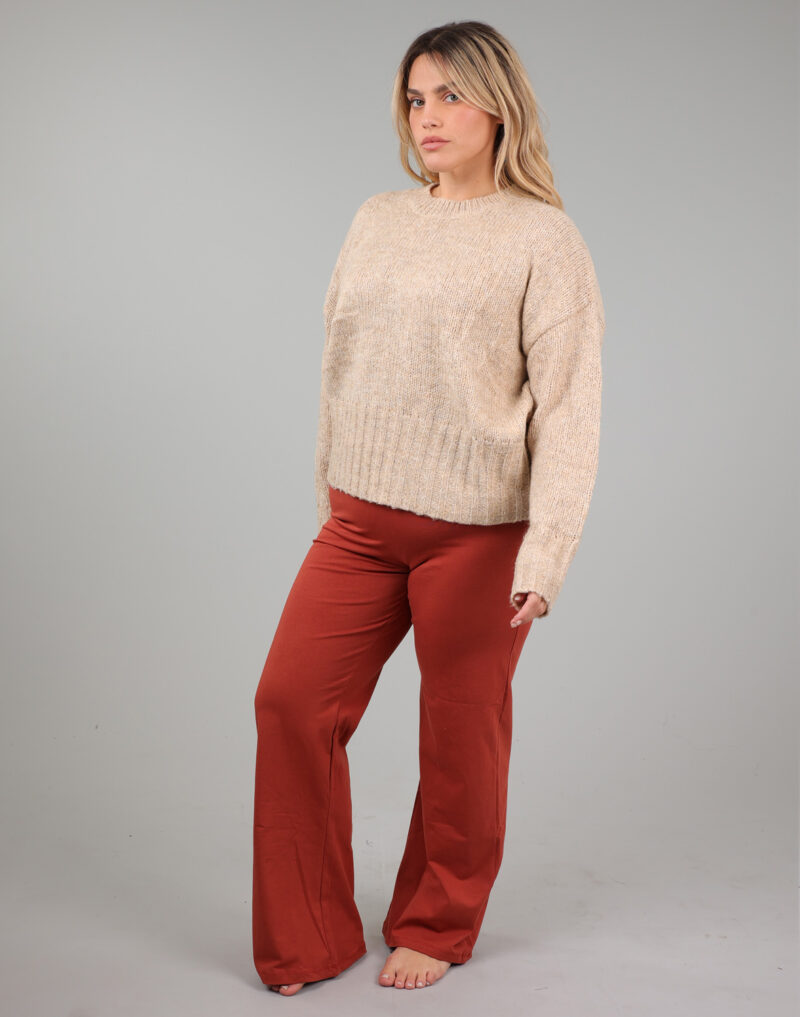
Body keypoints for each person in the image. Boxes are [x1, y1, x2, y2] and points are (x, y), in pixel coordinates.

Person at [252, 19, 605, 997]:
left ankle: (436, 923)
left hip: (479, 536)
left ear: (499, 105)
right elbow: (339, 361)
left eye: (450, 95)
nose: (428, 116)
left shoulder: (542, 238)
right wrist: (330, 488)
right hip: (361, 521)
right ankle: (306, 935)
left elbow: (570, 407)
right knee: (289, 703)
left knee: (458, 734)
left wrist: (547, 552)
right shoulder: (377, 217)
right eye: (415, 98)